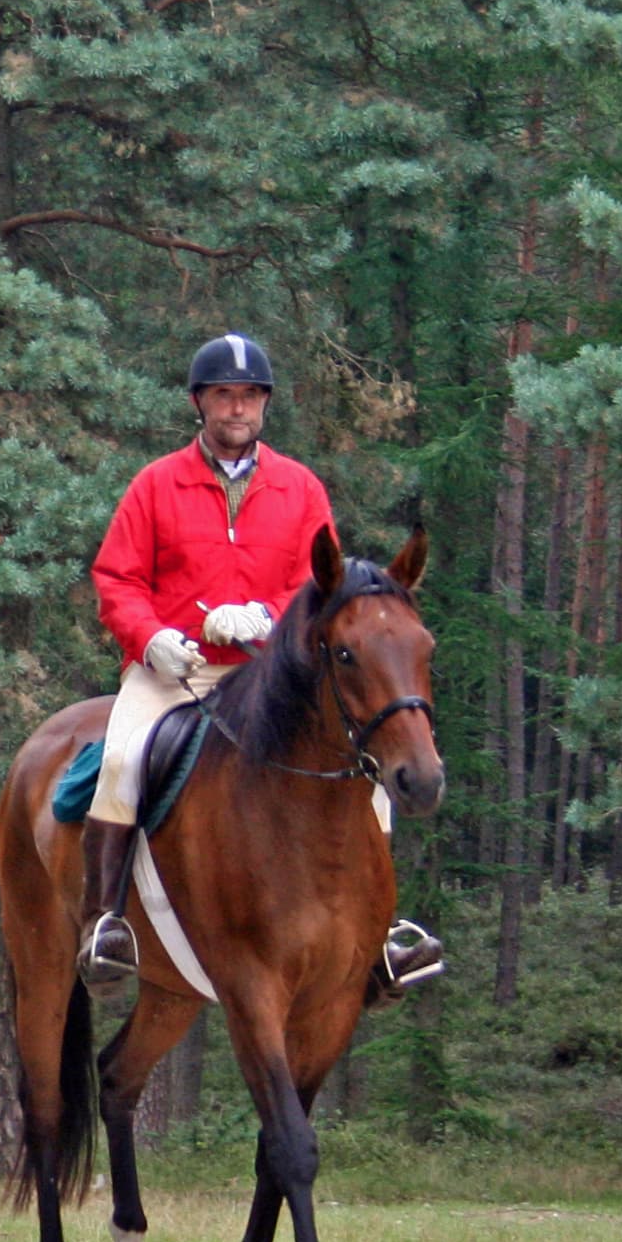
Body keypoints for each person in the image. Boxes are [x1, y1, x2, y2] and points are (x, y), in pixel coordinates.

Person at [83, 333, 436, 994]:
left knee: (369, 772)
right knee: (124, 757)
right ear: (200, 403)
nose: (236, 407)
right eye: (223, 395)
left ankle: (380, 932)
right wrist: (152, 635)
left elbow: (322, 586)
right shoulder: (155, 484)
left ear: (263, 406)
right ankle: (106, 924)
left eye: (247, 396)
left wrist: (272, 618)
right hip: (178, 672)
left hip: (273, 677)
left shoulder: (299, 488)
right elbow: (116, 578)